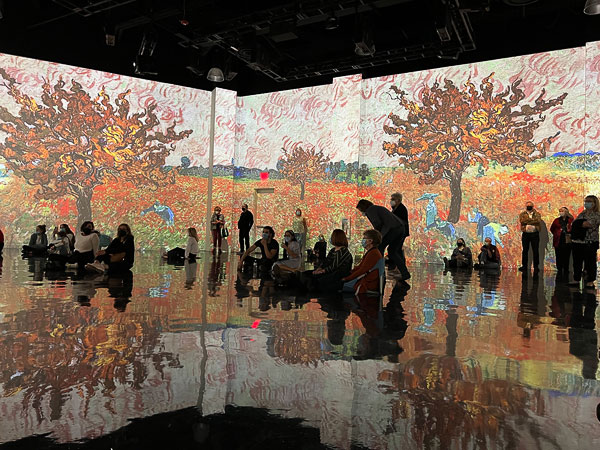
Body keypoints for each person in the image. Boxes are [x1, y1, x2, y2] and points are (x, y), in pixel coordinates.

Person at [356, 199, 410, 281]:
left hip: (392, 230)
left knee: (379, 249)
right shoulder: (376, 208)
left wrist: (378, 236)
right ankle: (405, 273)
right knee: (392, 251)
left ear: (363, 207)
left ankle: (380, 273)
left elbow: (378, 224)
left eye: (360, 210)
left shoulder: (370, 210)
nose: (361, 212)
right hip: (400, 229)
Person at [570, 195, 600, 288]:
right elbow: (574, 224)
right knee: (577, 262)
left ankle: (590, 280)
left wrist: (578, 224)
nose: (587, 203)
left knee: (590, 262)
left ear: (594, 203)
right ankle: (576, 279)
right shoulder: (582, 213)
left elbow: (589, 224)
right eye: (586, 201)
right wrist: (579, 223)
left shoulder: (597, 214)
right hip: (578, 242)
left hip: (590, 242)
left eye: (589, 202)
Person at [342, 230, 383, 294]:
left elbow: (361, 270)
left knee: (337, 286)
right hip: (365, 282)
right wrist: (349, 273)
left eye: (364, 238)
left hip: (366, 285)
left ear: (370, 241)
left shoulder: (373, 254)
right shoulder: (372, 252)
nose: (362, 240)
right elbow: (360, 267)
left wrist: (346, 279)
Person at [550, 207, 574, 280]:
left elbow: (573, 229)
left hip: (567, 240)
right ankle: (559, 270)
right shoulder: (556, 220)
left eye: (562, 211)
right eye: (560, 211)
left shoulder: (570, 220)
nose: (561, 212)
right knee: (558, 256)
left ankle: (566, 270)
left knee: (566, 256)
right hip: (558, 240)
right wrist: (556, 234)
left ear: (566, 212)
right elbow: (552, 229)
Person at [518, 201, 542, 274]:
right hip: (526, 234)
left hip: (535, 234)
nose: (529, 207)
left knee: (535, 251)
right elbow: (522, 221)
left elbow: (538, 221)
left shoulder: (537, 214)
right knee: (525, 250)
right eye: (528, 205)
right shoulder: (522, 214)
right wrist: (533, 221)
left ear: (533, 206)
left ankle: (536, 267)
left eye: (530, 205)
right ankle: (524, 266)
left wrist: (528, 221)